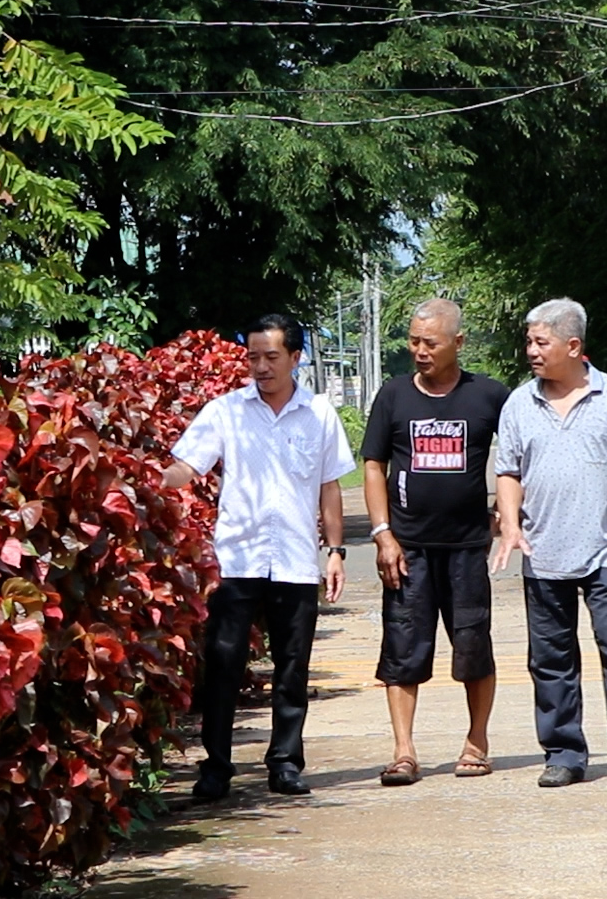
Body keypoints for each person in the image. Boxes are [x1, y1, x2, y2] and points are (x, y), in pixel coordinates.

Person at [164, 314, 355, 800]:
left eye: (272, 357)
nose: (261, 367)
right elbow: (187, 465)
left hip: (294, 559)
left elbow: (329, 486)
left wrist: (334, 551)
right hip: (237, 559)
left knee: (293, 666)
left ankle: (286, 762)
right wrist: (142, 484)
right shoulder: (226, 412)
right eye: (253, 357)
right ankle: (217, 766)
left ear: (296, 357)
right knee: (223, 663)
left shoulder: (319, 414)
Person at [492, 297, 607, 791]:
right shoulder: (519, 403)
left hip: (606, 549)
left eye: (540, 342)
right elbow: (508, 472)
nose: (531, 350)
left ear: (573, 345)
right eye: (528, 341)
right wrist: (510, 526)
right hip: (542, 553)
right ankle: (564, 752)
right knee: (551, 659)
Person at [361, 297, 510, 786]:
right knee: (402, 648)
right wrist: (383, 534)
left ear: (458, 343)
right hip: (408, 549)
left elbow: (516, 459)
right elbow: (374, 466)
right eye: (414, 341)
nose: (420, 351)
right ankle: (403, 751)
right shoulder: (394, 395)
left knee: (473, 645)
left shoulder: (489, 396)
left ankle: (476, 742)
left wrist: (504, 514)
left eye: (431, 342)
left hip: (467, 547)